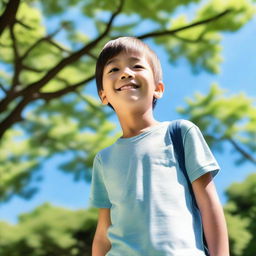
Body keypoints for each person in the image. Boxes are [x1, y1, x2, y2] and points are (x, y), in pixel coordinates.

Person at [89, 36, 229, 256]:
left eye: (136, 65)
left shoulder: (180, 133)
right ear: (103, 96)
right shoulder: (103, 159)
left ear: (158, 88)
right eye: (113, 69)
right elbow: (103, 232)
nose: (126, 73)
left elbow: (209, 207)